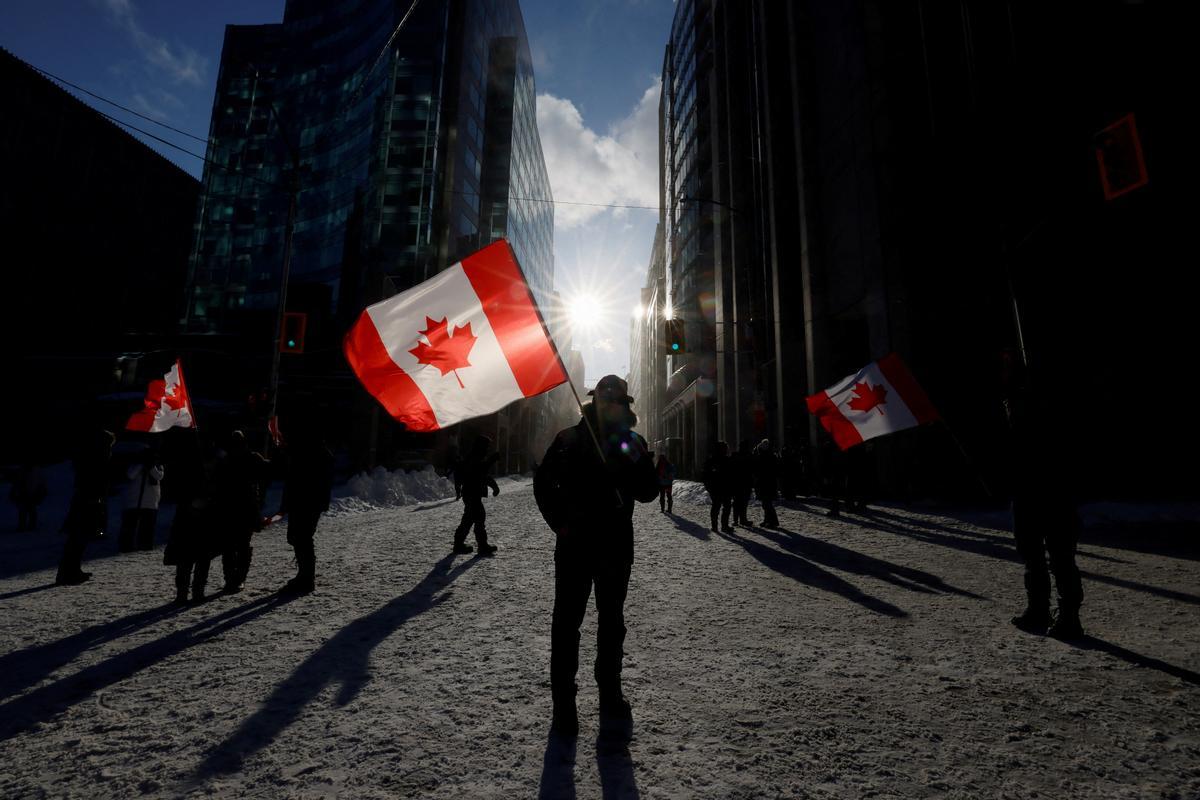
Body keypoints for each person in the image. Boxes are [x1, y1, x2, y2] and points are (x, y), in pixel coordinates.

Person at [534, 374, 659, 738]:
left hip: (615, 548)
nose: (610, 407)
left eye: (616, 402)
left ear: (625, 406)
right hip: (574, 546)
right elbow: (543, 485)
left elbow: (648, 492)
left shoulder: (632, 442)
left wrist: (639, 463)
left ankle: (610, 695)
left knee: (612, 623)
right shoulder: (569, 439)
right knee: (566, 624)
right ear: (594, 402)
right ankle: (564, 704)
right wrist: (559, 523)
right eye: (605, 401)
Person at [1003, 356, 1084, 639]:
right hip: (1026, 490)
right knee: (1032, 555)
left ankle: (1069, 616)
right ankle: (1038, 609)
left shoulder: (1050, 405)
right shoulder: (1015, 401)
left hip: (1054, 489)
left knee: (1061, 557)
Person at [277, 422, 334, 595]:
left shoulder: (314, 452)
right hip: (303, 500)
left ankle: (306, 578)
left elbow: (300, 477)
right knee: (298, 537)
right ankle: (304, 575)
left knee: (302, 537)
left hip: (307, 501)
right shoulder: (308, 451)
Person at [57, 427, 114, 586]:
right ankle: (69, 572)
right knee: (78, 539)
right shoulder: (96, 459)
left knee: (78, 539)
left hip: (86, 501)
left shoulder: (90, 458)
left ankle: (71, 570)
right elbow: (95, 482)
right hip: (89, 502)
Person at [212, 431, 268, 593]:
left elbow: (266, 475)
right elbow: (217, 483)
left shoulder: (252, 458)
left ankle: (237, 578)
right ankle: (232, 578)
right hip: (231, 507)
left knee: (239, 545)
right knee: (232, 546)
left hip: (245, 507)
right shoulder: (225, 461)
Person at [452, 435, 500, 556]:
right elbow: (479, 472)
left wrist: (494, 486)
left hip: (472, 493)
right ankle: (479, 546)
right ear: (481, 446)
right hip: (471, 493)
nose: (488, 449)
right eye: (487, 446)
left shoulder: (477, 457)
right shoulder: (474, 457)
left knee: (471, 519)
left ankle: (462, 544)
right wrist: (491, 460)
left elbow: (484, 476)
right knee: (476, 518)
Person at [119, 448, 164, 552]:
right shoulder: (134, 465)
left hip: (150, 501)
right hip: (134, 501)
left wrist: (150, 466)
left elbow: (158, 476)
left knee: (147, 526)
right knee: (130, 526)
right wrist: (141, 464)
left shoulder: (157, 466)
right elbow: (130, 475)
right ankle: (127, 546)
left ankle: (145, 545)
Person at [702, 441, 734, 533]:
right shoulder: (719, 460)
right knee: (721, 507)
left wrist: (709, 487)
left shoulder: (713, 460)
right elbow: (705, 475)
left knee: (719, 507)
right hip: (720, 488)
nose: (726, 450)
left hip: (721, 488)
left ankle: (718, 526)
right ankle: (721, 526)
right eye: (725, 448)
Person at [10, 456, 47, 532]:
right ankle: (23, 525)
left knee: (30, 509)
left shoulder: (35, 471)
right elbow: (17, 482)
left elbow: (40, 482)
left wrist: (40, 492)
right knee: (23, 510)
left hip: (32, 493)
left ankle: (30, 525)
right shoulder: (22, 470)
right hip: (24, 493)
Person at [753, 439, 780, 529]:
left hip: (766, 482)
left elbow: (759, 469)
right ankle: (767, 520)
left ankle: (773, 521)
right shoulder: (770, 456)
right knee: (766, 503)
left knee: (767, 503)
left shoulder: (766, 457)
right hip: (767, 482)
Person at [731, 442, 754, 526]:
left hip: (737, 483)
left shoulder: (735, 456)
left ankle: (736, 520)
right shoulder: (749, 456)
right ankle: (742, 519)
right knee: (743, 503)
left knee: (737, 502)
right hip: (745, 482)